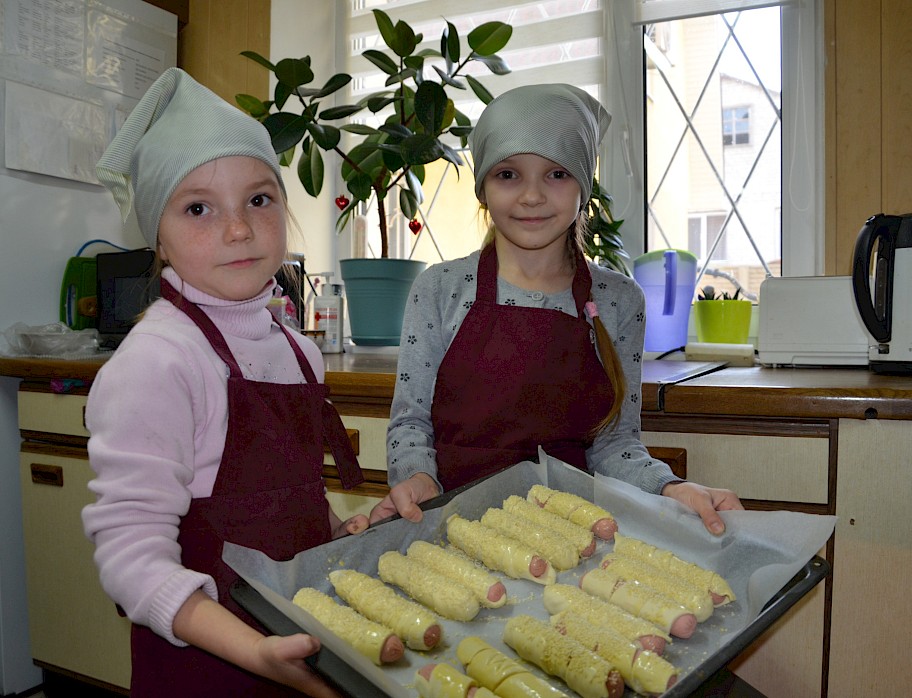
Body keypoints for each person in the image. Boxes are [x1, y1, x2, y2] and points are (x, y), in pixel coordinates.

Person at [82, 68, 367, 698]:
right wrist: (256, 654)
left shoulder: (295, 349)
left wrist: (328, 533)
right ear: (157, 234)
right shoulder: (158, 362)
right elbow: (131, 559)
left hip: (295, 642)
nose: (238, 229)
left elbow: (282, 494)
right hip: (205, 669)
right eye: (198, 208)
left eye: (259, 200)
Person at [371, 83, 743, 535]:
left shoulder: (619, 301)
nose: (531, 196)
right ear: (483, 187)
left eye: (557, 174)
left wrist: (667, 487)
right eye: (508, 174)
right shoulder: (440, 289)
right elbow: (411, 422)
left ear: (584, 186)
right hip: (455, 529)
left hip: (574, 536)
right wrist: (417, 478)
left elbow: (613, 444)